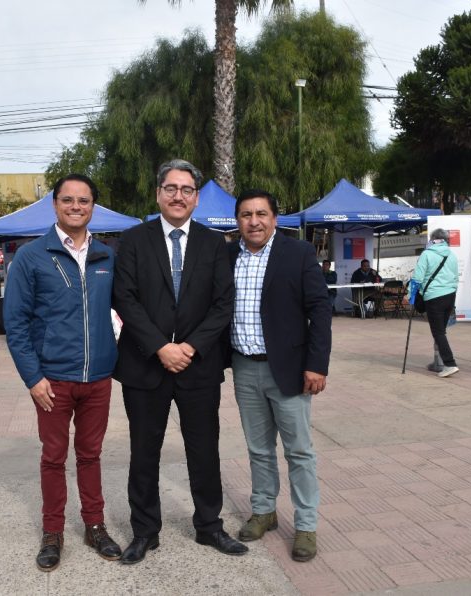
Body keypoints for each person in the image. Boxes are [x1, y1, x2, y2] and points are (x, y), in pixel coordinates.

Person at [113, 158, 246, 564]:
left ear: (196, 198)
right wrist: (160, 347)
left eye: (187, 190)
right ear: (158, 193)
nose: (178, 196)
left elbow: (224, 304)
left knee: (204, 450)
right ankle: (144, 532)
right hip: (145, 365)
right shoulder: (133, 240)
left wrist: (189, 347)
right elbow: (126, 298)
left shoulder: (214, 244)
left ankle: (209, 527)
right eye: (171, 188)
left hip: (199, 366)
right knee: (144, 452)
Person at [4, 173, 121, 572]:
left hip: (98, 379)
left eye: (83, 201)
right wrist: (33, 378)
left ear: (93, 207)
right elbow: (15, 323)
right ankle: (52, 531)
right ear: (54, 205)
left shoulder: (107, 256)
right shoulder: (32, 256)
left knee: (90, 455)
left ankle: (94, 525)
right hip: (52, 380)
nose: (76, 207)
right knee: (54, 457)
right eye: (68, 200)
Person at [228, 189, 332, 562]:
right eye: (245, 214)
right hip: (243, 366)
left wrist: (317, 364)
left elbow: (320, 310)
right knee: (258, 448)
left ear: (274, 218)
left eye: (260, 214)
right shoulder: (228, 256)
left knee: (299, 451)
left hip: (289, 369)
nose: (253, 221)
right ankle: (264, 510)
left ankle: (305, 525)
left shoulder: (298, 253)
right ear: (237, 220)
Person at [411, 229, 460, 378]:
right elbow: (455, 276)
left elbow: (417, 278)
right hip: (450, 295)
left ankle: (449, 364)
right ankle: (438, 362)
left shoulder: (426, 254)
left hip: (434, 297)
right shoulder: (451, 254)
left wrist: (410, 296)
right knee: (441, 331)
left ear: (432, 239)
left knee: (438, 332)